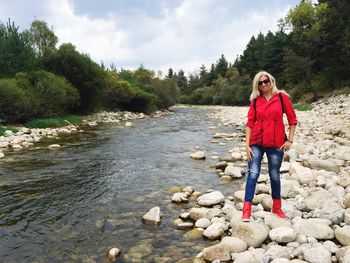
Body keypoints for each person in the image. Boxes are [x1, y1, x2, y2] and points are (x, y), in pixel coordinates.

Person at [242, 71, 297, 221]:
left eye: (266, 81)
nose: (264, 84)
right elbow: (249, 123)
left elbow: (293, 120)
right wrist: (247, 145)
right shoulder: (255, 100)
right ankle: (246, 211)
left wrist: (290, 140)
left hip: (276, 143)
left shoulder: (281, 97)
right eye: (260, 83)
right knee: (253, 173)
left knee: (274, 175)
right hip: (256, 142)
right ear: (257, 85)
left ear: (271, 80)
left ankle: (277, 208)